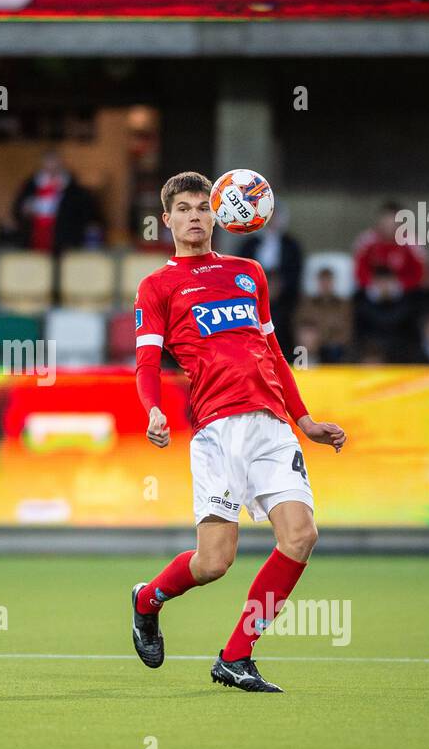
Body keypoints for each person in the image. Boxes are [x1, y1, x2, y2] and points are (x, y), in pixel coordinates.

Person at [130, 172, 346, 694]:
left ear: (220, 213)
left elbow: (273, 352)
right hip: (218, 430)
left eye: (204, 206)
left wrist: (306, 420)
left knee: (301, 536)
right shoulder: (157, 286)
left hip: (271, 424)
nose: (196, 216)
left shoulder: (248, 273)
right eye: (184, 208)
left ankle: (236, 657)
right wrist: (154, 410)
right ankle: (146, 601)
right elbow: (145, 362)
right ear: (168, 220)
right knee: (214, 562)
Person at [230, 207, 303, 341]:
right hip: (252, 294)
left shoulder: (291, 245)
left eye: (274, 217)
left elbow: (295, 272)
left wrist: (280, 286)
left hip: (283, 299)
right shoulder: (248, 244)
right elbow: (238, 271)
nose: (271, 221)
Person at [11, 150, 102, 253]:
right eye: (48, 163)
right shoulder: (30, 186)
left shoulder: (74, 189)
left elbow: (87, 215)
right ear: (42, 164)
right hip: (34, 241)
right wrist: (25, 210)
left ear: (61, 164)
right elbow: (17, 210)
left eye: (55, 163)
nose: (52, 167)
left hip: (65, 244)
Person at [353, 201, 426, 293]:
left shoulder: (412, 241)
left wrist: (399, 286)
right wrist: (373, 285)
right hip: (371, 291)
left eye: (392, 221)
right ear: (379, 221)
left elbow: (419, 274)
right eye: (385, 221)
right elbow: (359, 270)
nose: (388, 226)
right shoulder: (366, 240)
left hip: (405, 292)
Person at [353, 266, 419, 362]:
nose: (384, 286)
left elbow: (411, 335)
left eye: (387, 281)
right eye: (380, 282)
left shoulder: (407, 302)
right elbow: (359, 335)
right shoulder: (362, 303)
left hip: (400, 355)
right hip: (371, 355)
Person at [293, 266, 352, 363]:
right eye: (322, 281)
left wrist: (322, 341)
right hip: (309, 349)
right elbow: (298, 326)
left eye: (328, 281)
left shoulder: (343, 306)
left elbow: (346, 332)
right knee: (302, 347)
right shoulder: (307, 304)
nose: (325, 285)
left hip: (335, 350)